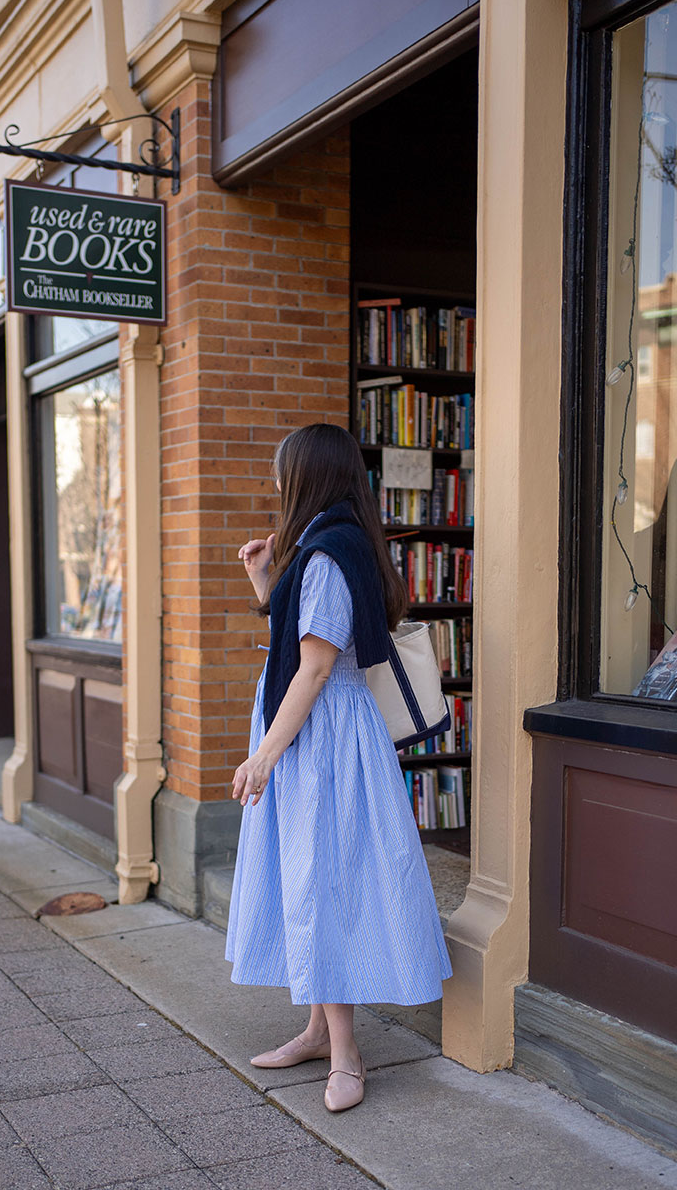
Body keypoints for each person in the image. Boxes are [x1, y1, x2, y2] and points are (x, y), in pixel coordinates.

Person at [225, 423, 453, 1113]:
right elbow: (308, 643)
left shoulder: (327, 551)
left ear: (306, 477)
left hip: (321, 739)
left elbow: (320, 664)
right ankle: (320, 1031)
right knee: (314, 874)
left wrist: (265, 753)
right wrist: (266, 581)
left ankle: (347, 1054)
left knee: (328, 880)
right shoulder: (339, 540)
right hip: (321, 734)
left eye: (281, 471)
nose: (275, 483)